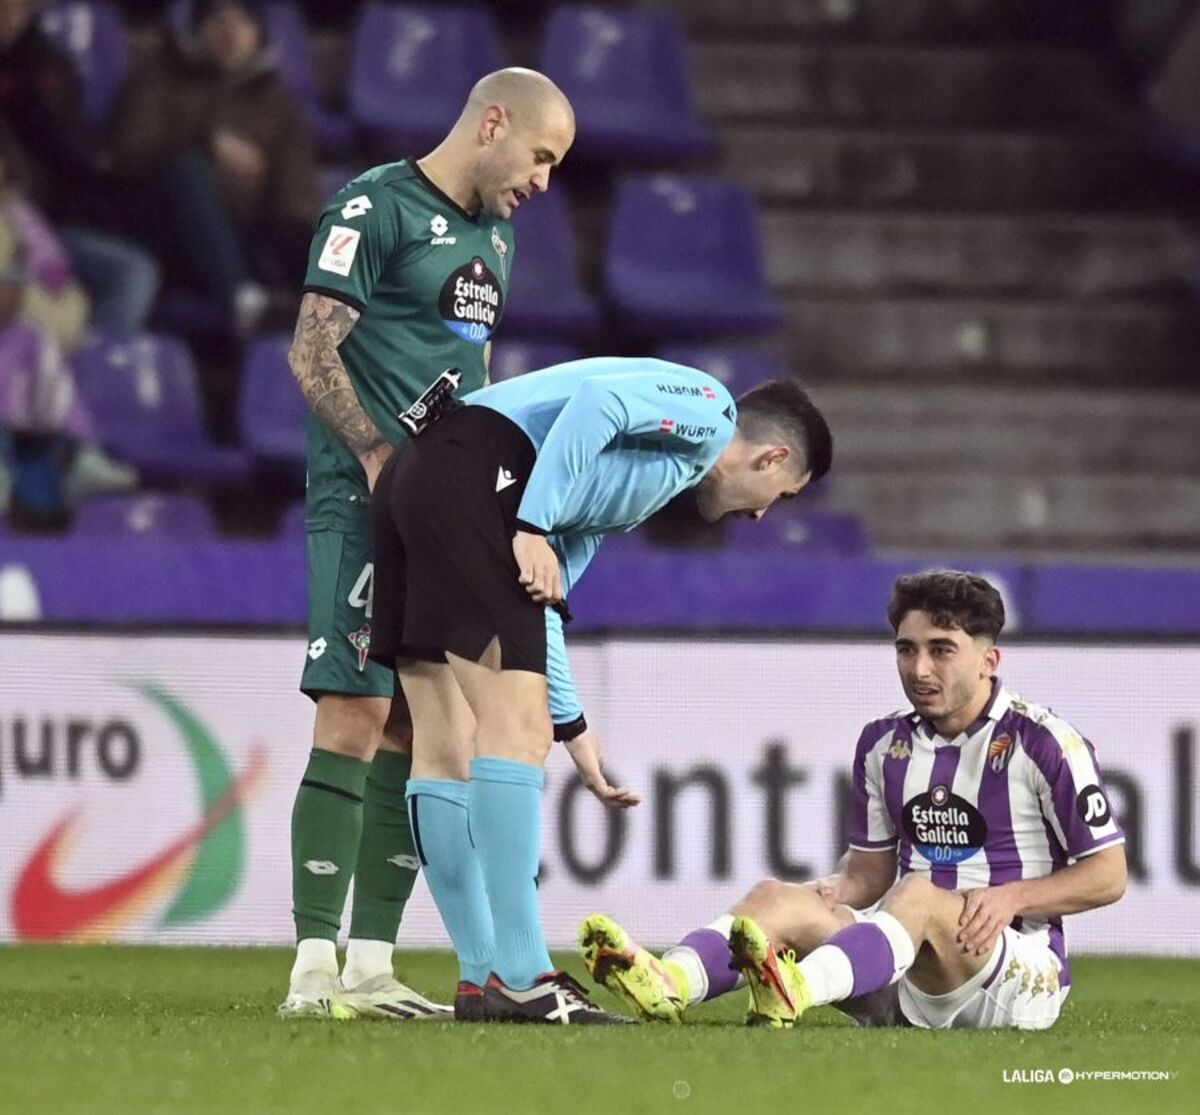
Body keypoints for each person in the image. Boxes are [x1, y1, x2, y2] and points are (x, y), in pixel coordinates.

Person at [369, 359, 833, 1023]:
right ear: (772, 455)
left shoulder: (618, 485)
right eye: (782, 494)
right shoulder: (710, 411)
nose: (763, 514)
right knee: (511, 729)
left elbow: (545, 600)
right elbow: (598, 404)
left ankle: (481, 978)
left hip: (416, 477)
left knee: (444, 739)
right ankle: (524, 976)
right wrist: (529, 526)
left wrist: (574, 727)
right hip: (481, 472)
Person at [278, 67, 576, 1020]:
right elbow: (311, 347)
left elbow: (474, 374)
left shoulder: (498, 237)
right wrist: (372, 454)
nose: (543, 181)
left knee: (427, 727)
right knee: (354, 717)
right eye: (540, 156)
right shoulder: (375, 206)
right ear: (493, 122)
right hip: (362, 498)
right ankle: (312, 966)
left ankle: (371, 962)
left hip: (445, 512)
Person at [579, 570, 1128, 1030]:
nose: (919, 670)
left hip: (1016, 979)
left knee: (917, 895)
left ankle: (796, 988)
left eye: (942, 651)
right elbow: (870, 872)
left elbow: (1108, 875)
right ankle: (669, 983)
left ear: (989, 660)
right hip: (909, 971)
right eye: (907, 650)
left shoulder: (1045, 741)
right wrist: (841, 888)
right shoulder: (883, 742)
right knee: (777, 898)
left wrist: (1012, 898)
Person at [108, 0, 318, 333]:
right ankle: (243, 302)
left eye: (242, 22)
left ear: (258, 32)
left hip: (246, 238)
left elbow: (296, 188)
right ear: (197, 28)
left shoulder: (277, 101)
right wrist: (205, 142)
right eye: (218, 20)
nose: (230, 32)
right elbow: (129, 154)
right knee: (188, 169)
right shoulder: (157, 78)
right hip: (165, 236)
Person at [0, 0, 158, 335]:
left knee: (132, 272)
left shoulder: (49, 68)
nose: (9, 18)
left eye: (17, 9)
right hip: (8, 226)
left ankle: (89, 374)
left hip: (40, 223)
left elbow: (70, 157)